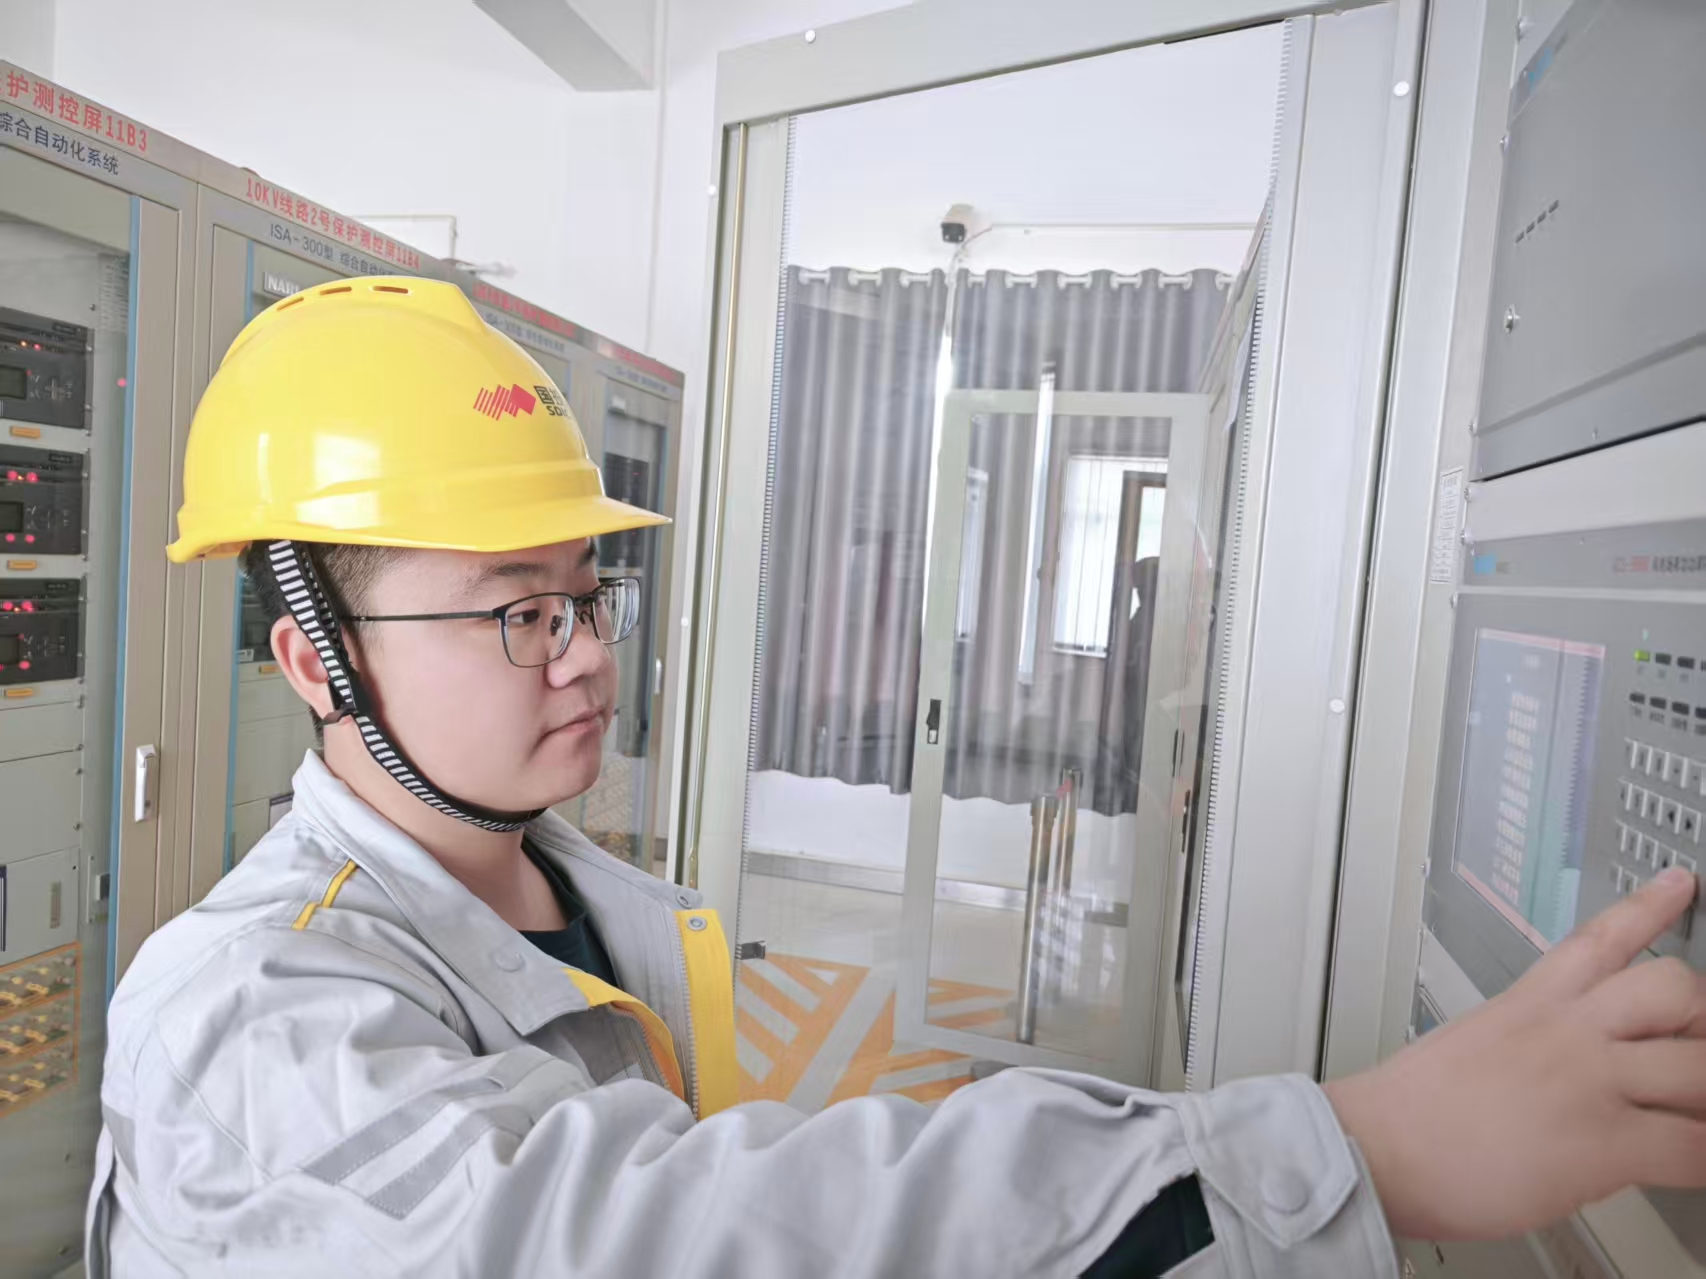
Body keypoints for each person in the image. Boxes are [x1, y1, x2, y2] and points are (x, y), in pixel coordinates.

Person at [86, 278, 1706, 1278]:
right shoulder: (244, 1013)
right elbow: (653, 1235)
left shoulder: (582, 892)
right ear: (317, 659)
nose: (582, 656)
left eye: (587, 594)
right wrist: (1348, 1151)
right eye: (518, 611)